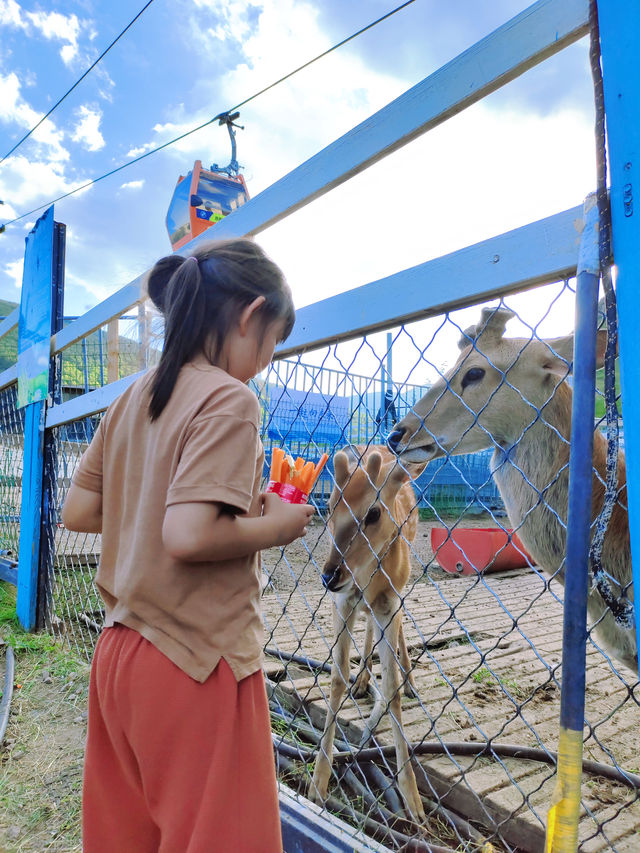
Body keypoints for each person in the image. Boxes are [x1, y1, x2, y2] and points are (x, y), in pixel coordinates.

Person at [62, 238, 314, 852]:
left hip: (119, 657)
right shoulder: (230, 398)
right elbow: (188, 534)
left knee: (128, 838)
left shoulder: (134, 394)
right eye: (273, 342)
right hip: (195, 659)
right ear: (250, 314)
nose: (265, 362)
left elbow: (80, 511)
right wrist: (279, 526)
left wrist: (164, 504)